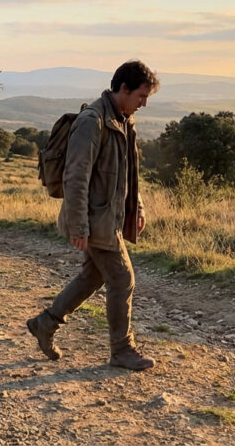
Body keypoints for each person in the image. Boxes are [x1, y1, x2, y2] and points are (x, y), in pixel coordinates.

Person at [27, 60, 160, 371]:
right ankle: (122, 350)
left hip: (110, 217)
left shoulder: (124, 120)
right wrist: (78, 225)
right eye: (141, 96)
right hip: (95, 220)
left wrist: (136, 207)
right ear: (123, 88)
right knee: (122, 278)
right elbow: (76, 176)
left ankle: (45, 324)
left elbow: (129, 173)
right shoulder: (93, 121)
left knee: (93, 276)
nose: (144, 104)